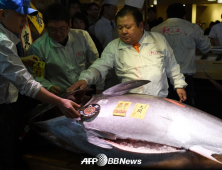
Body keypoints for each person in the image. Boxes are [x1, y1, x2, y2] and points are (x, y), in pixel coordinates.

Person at [0, 0, 80, 169]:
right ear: (2, 14)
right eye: (20, 16)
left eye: (26, 17)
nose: (24, 21)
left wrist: (21, 60)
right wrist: (61, 101)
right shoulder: (3, 42)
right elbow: (28, 85)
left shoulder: (6, 37)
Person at [67, 7, 187, 103]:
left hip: (158, 100)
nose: (124, 31)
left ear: (140, 26)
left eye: (128, 27)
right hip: (130, 102)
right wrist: (85, 79)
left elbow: (171, 65)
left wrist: (179, 85)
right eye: (120, 27)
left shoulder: (158, 40)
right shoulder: (114, 46)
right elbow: (99, 67)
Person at [27, 3, 103, 95]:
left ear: (70, 23)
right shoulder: (37, 47)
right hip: (59, 96)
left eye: (62, 28)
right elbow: (37, 76)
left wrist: (99, 89)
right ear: (46, 27)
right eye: (52, 29)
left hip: (84, 92)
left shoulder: (83, 37)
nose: (58, 34)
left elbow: (96, 64)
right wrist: (49, 86)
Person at [151, 3, 211, 106]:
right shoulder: (193, 28)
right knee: (185, 110)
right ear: (184, 16)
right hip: (184, 78)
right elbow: (206, 47)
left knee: (163, 109)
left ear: (167, 15)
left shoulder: (155, 29)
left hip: (161, 77)